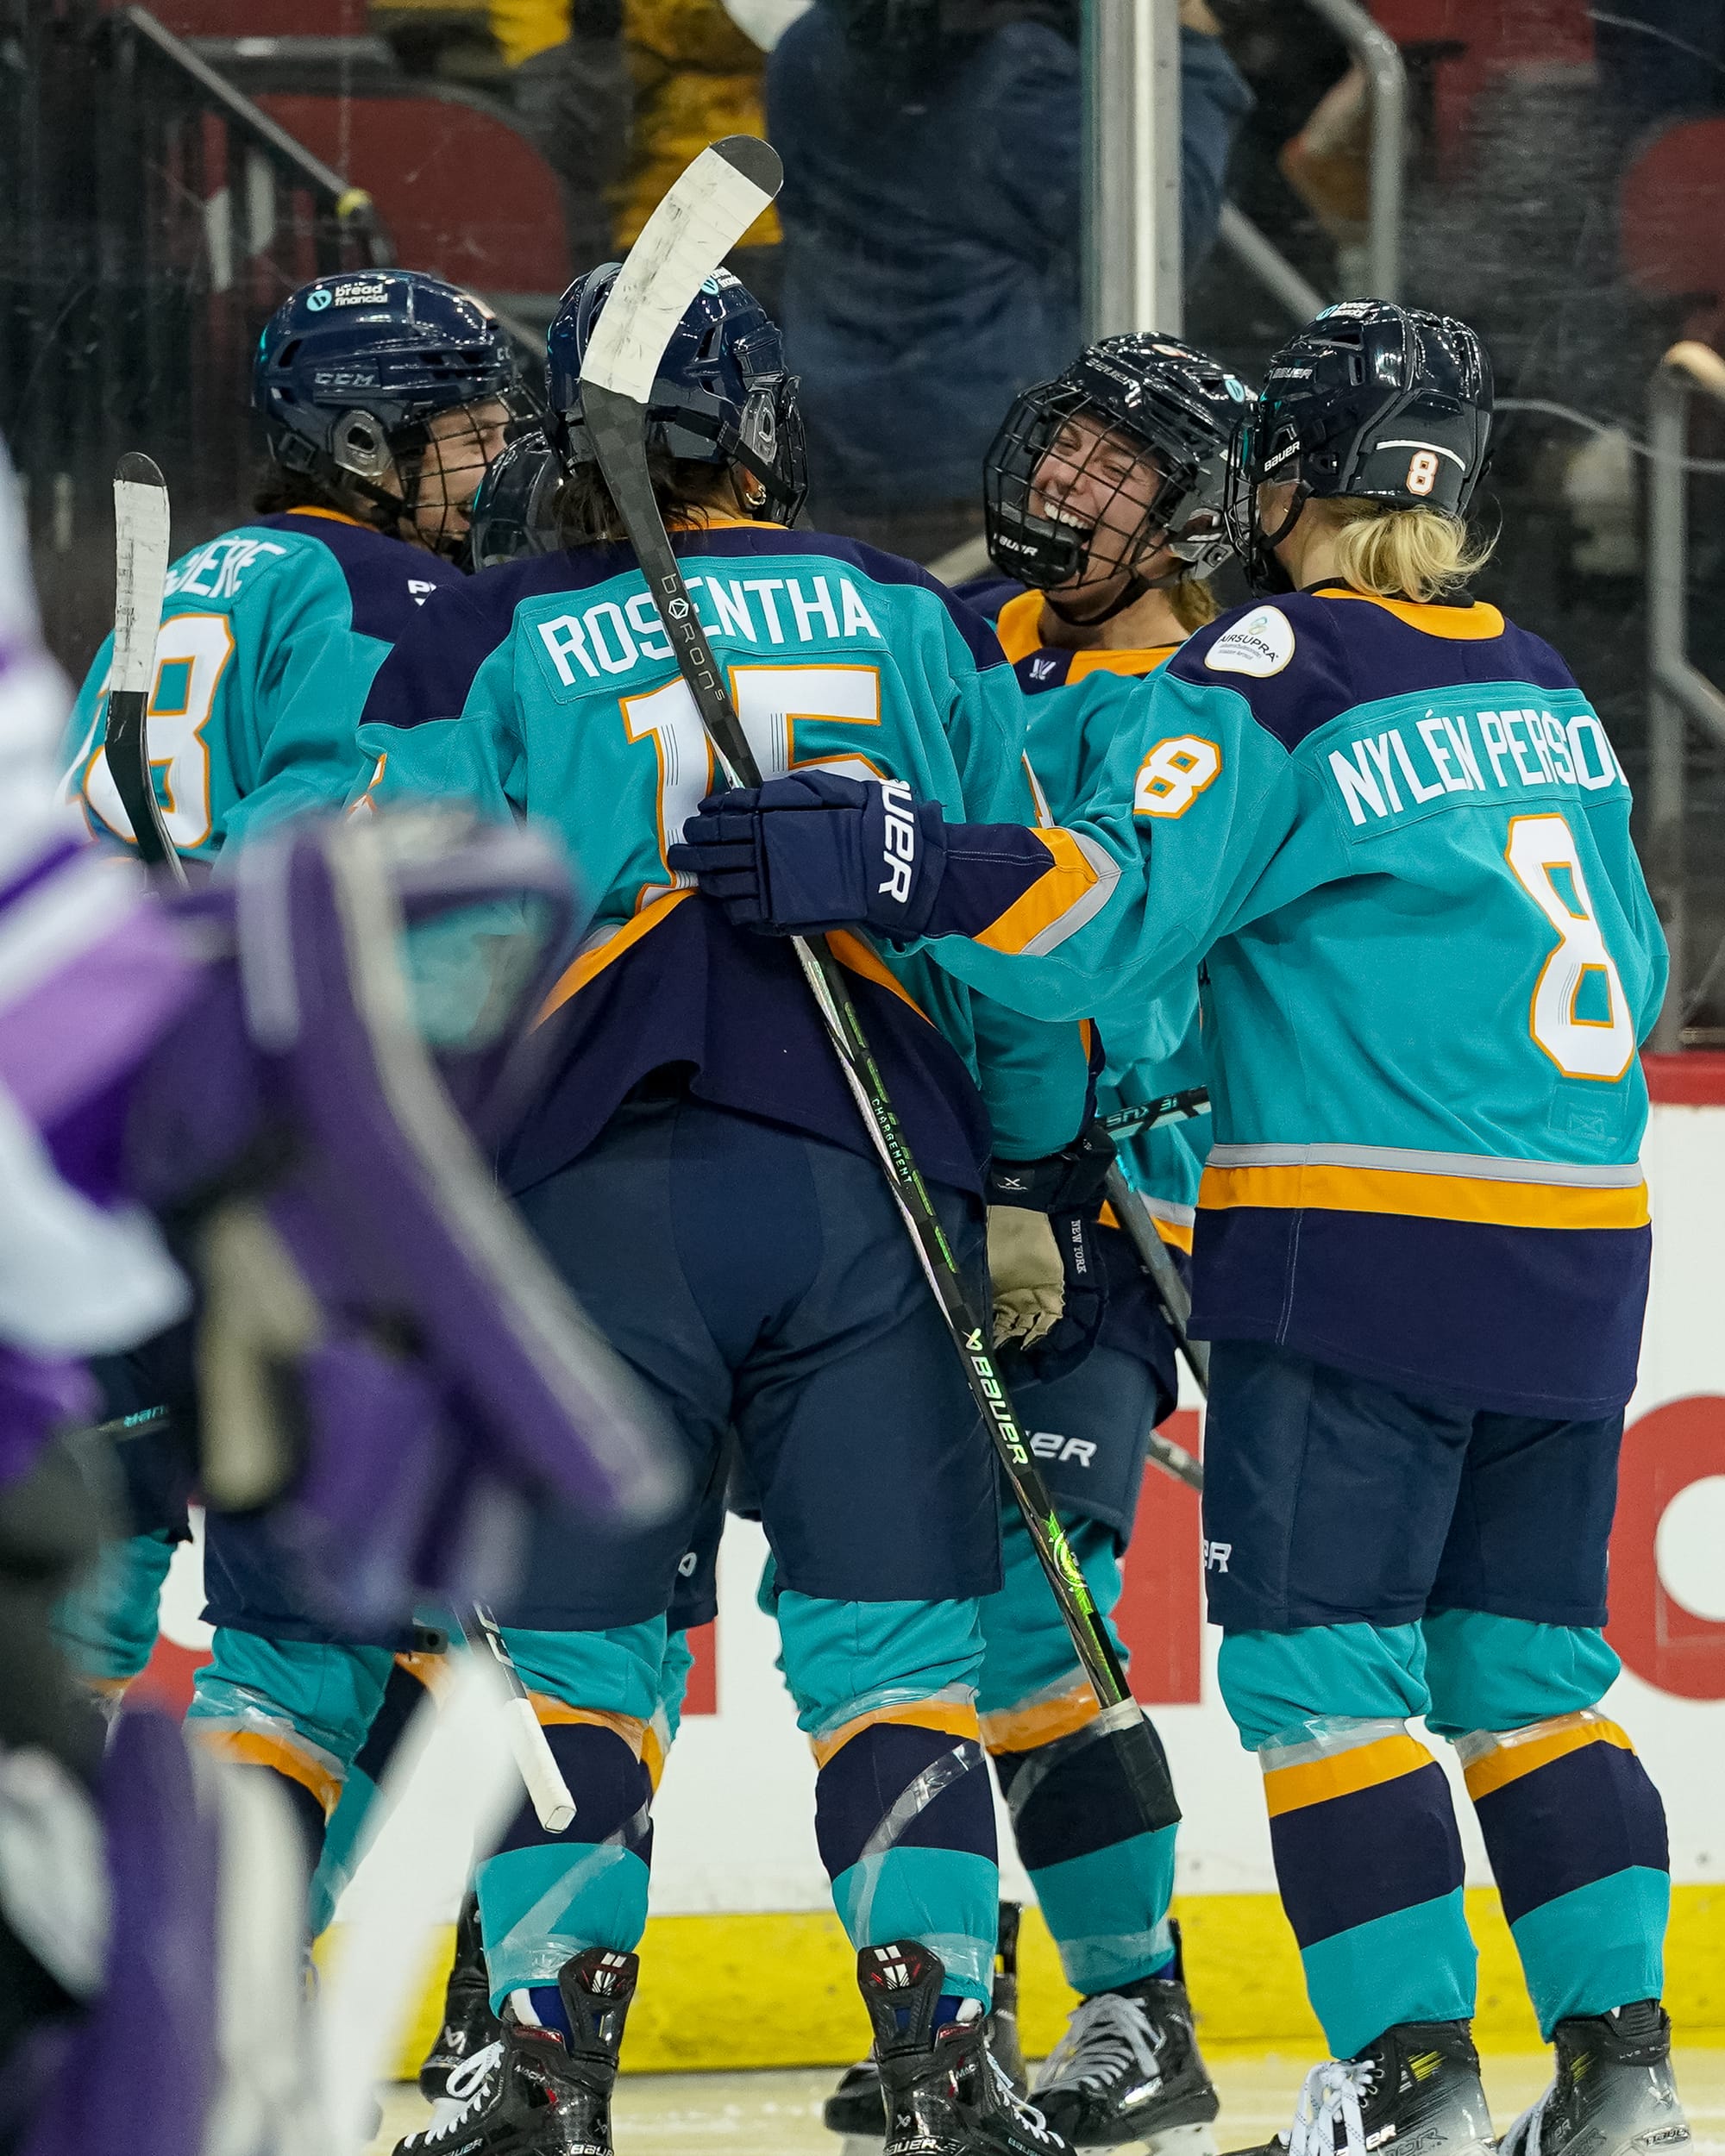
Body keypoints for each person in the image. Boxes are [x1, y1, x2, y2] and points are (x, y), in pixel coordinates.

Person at [671, 299, 1688, 2156]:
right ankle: (1619, 2080)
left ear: (1266, 477)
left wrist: (901, 860)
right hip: (1581, 1236)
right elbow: (1642, 959)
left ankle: (1402, 2084)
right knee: (1526, 1672)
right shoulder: (1536, 674)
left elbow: (1123, 923)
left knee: (1323, 1678)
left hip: (1343, 1228)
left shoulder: (1275, 660)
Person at [349, 260, 1104, 2156]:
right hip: (875, 1179)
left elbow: (411, 950)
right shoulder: (911, 620)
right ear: (760, 419)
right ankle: (944, 2055)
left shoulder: (496, 631)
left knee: (576, 1653)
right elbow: (1019, 945)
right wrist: (1025, 1176)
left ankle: (541, 2063)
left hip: (591, 1188)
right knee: (895, 1653)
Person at [52, 266, 525, 1929]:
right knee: (295, 1649)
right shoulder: (392, 600)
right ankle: (217, 2033)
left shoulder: (159, 600)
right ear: (368, 440)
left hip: (82, 1175)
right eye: (466, 436)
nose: (495, 468)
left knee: (68, 1622)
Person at [824, 329, 1249, 2155]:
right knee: (937, 1603)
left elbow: (1109, 966)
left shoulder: (1193, 704)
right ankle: (974, 2016)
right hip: (931, 1184)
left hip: (1091, 1206)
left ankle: (1137, 2010)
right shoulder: (964, 638)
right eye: (1063, 443)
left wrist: (1048, 1176)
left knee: (1030, 1615)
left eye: (1119, 468)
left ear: (1192, 518)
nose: (1069, 484)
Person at [765, 0, 1252, 553]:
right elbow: (1164, 225)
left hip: (834, 441)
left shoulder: (808, 47)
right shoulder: (1012, 81)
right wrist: (1188, 46)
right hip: (985, 460)